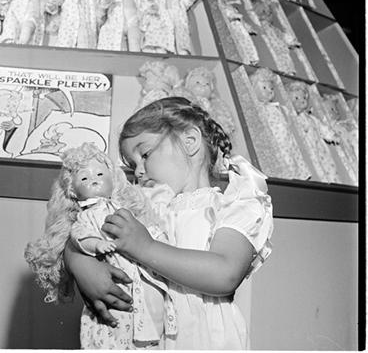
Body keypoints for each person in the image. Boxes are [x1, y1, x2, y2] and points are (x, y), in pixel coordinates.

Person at [64, 96, 274, 350]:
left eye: (145, 155)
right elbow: (83, 229)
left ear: (190, 141)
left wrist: (145, 247)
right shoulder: (144, 206)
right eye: (133, 165)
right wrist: (80, 265)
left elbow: (225, 274)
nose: (138, 172)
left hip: (204, 340)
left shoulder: (232, 205)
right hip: (149, 336)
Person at [25, 142, 177, 349]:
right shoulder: (88, 216)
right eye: (84, 178)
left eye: (145, 155)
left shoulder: (134, 206)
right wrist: (85, 254)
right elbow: (77, 236)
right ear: (72, 190)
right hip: (119, 288)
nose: (138, 171)